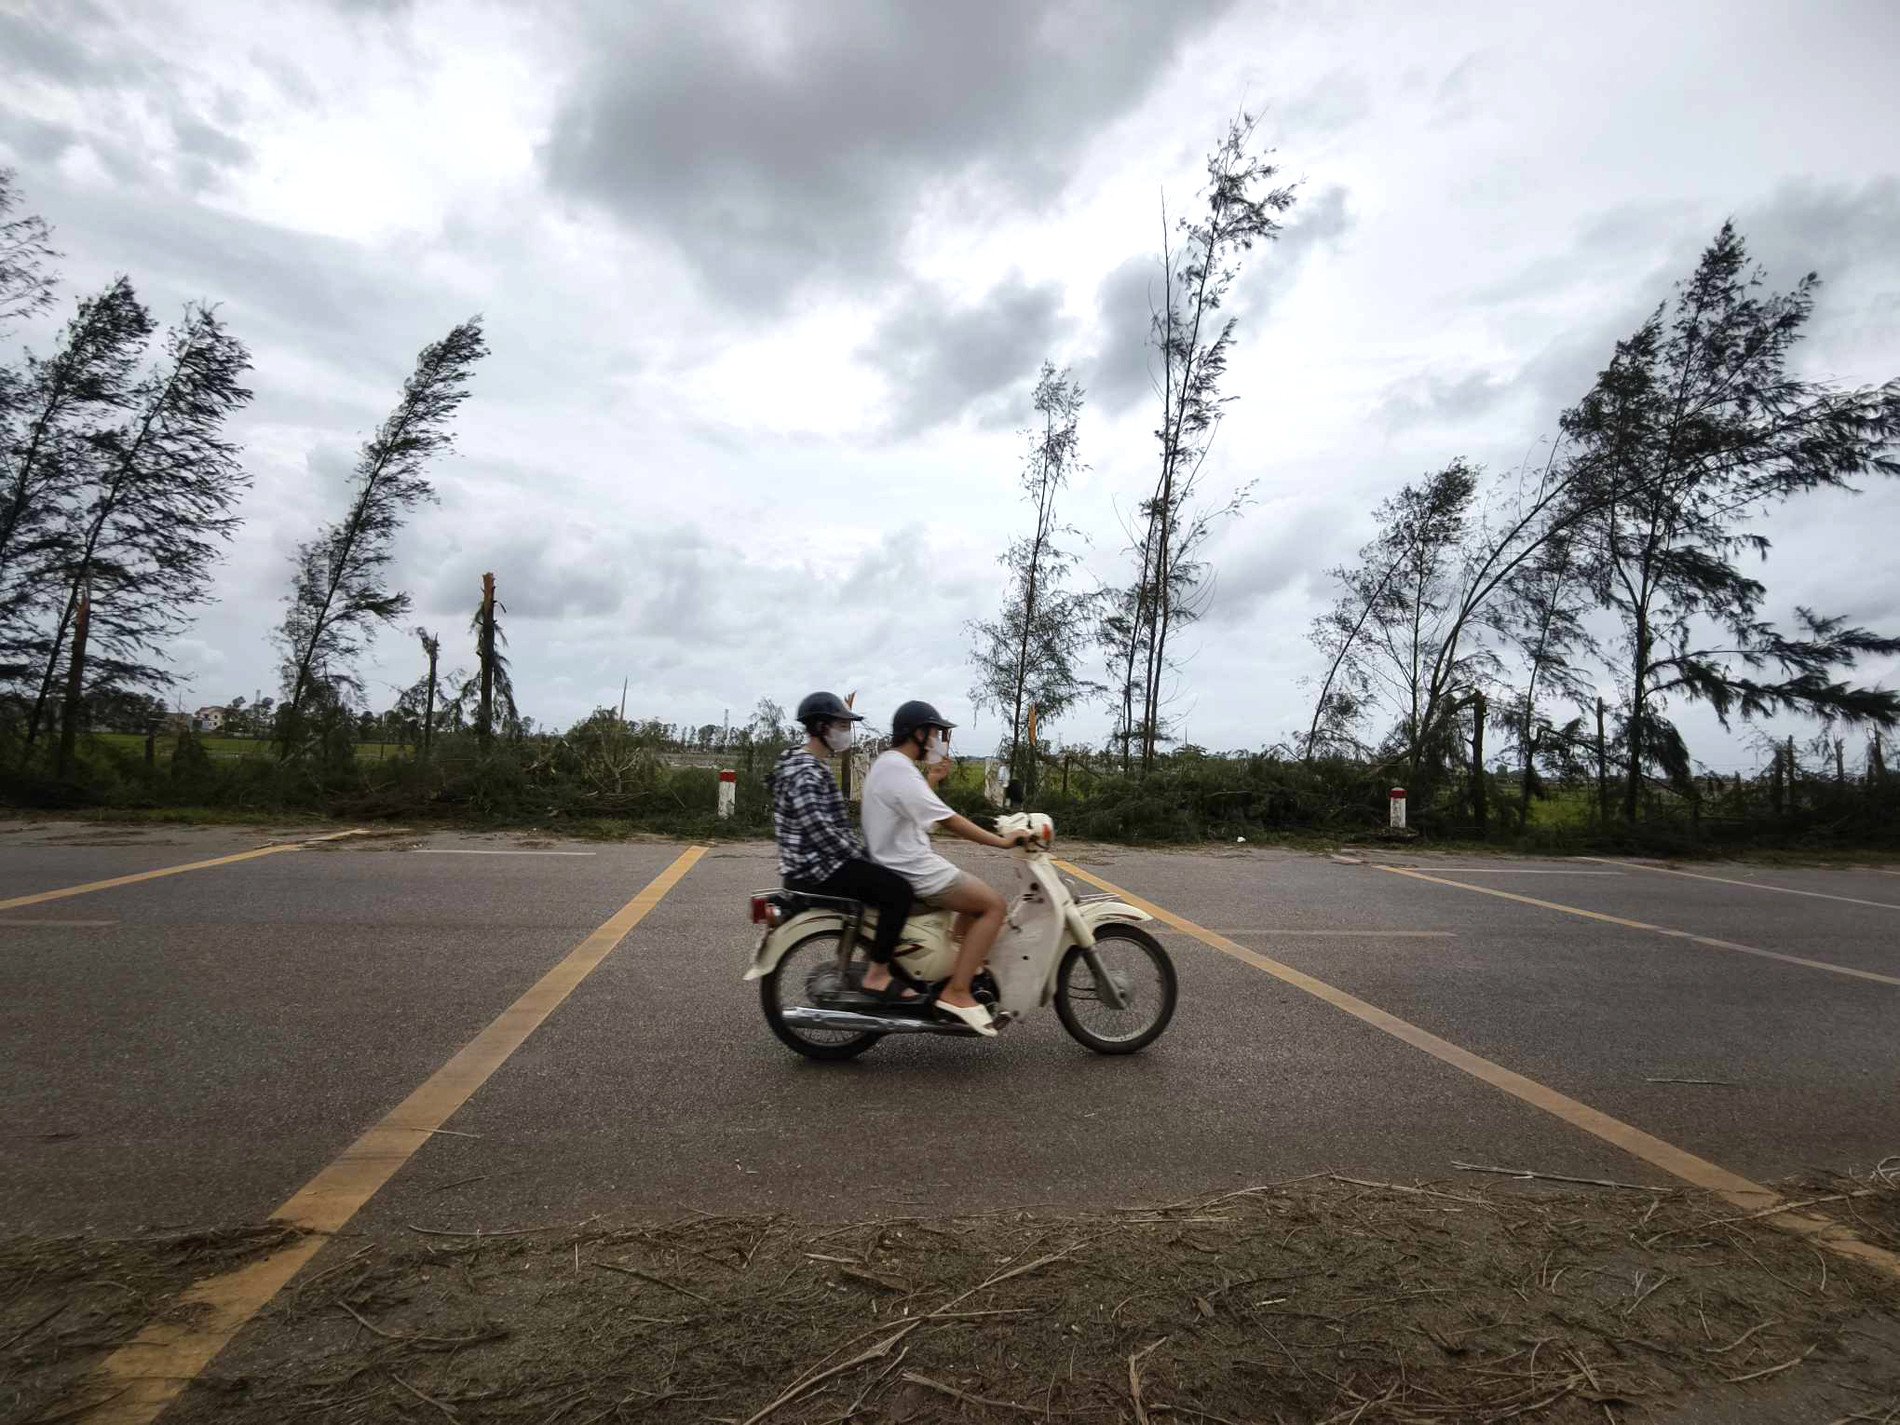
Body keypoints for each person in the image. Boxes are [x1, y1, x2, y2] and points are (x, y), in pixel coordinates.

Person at [861, 699, 1027, 1036]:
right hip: (912, 869)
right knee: (992, 905)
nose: (938, 740)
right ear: (919, 733)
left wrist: (934, 779)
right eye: (935, 732)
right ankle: (957, 991)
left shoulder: (892, 766)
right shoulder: (898, 768)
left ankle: (957, 968)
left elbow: (918, 810)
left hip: (903, 862)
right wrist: (1002, 842)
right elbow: (946, 819)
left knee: (974, 897)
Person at [771, 691, 916, 1000]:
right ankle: (877, 976)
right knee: (899, 892)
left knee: (884, 882)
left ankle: (871, 958)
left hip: (817, 863)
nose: (846, 732)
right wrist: (862, 855)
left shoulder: (807, 765)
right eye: (841, 725)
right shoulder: (806, 772)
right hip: (817, 869)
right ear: (822, 728)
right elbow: (820, 830)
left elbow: (830, 829)